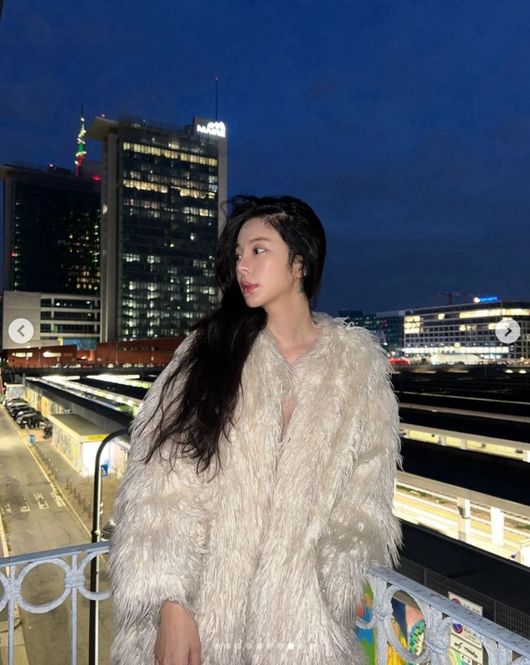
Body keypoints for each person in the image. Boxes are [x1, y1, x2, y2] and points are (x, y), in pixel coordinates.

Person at [109, 195, 402, 665]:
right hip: (202, 615)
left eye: (259, 250)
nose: (242, 265)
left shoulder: (356, 367)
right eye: (238, 254)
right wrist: (170, 602)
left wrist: (327, 593)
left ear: (299, 263)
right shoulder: (210, 353)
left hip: (302, 631)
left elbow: (366, 496)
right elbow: (159, 485)